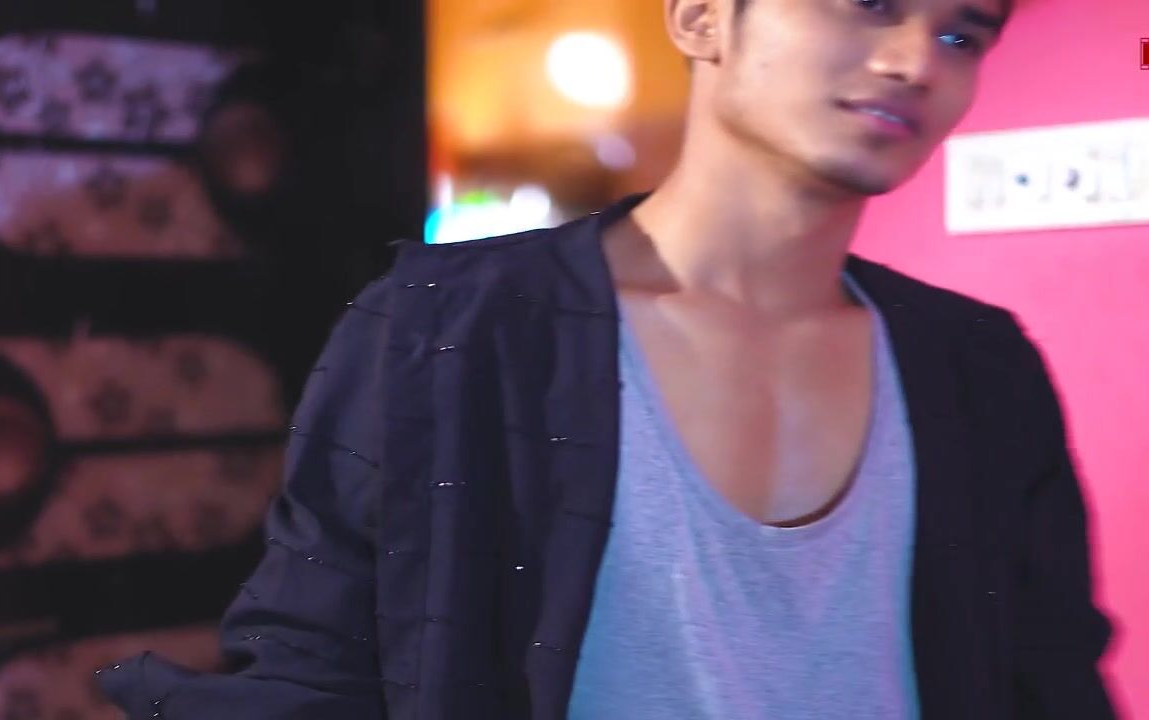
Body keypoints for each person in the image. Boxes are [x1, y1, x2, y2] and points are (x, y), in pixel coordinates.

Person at [99, 0, 1118, 717]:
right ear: (700, 17)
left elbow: (1051, 683)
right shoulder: (448, 331)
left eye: (960, 33)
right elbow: (310, 669)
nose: (915, 61)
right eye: (868, 4)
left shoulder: (978, 371)